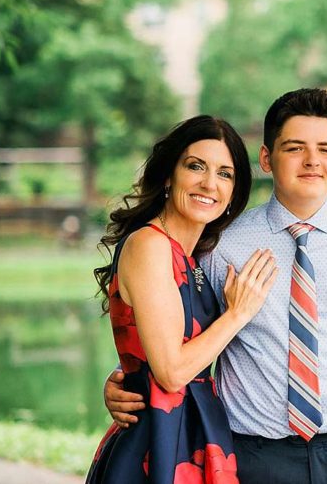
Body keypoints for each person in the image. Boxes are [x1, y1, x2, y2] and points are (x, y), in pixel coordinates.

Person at [104, 88, 327, 484]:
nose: (312, 161)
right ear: (267, 158)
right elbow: (177, 325)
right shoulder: (220, 244)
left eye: (326, 149)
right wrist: (125, 380)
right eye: (295, 148)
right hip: (252, 461)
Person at [88, 115, 278, 483]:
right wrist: (237, 314)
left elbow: (153, 346)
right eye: (196, 166)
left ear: (233, 193)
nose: (210, 183)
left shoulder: (192, 259)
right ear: (169, 174)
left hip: (191, 438)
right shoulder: (150, 245)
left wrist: (124, 375)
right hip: (156, 446)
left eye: (225, 174)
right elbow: (172, 372)